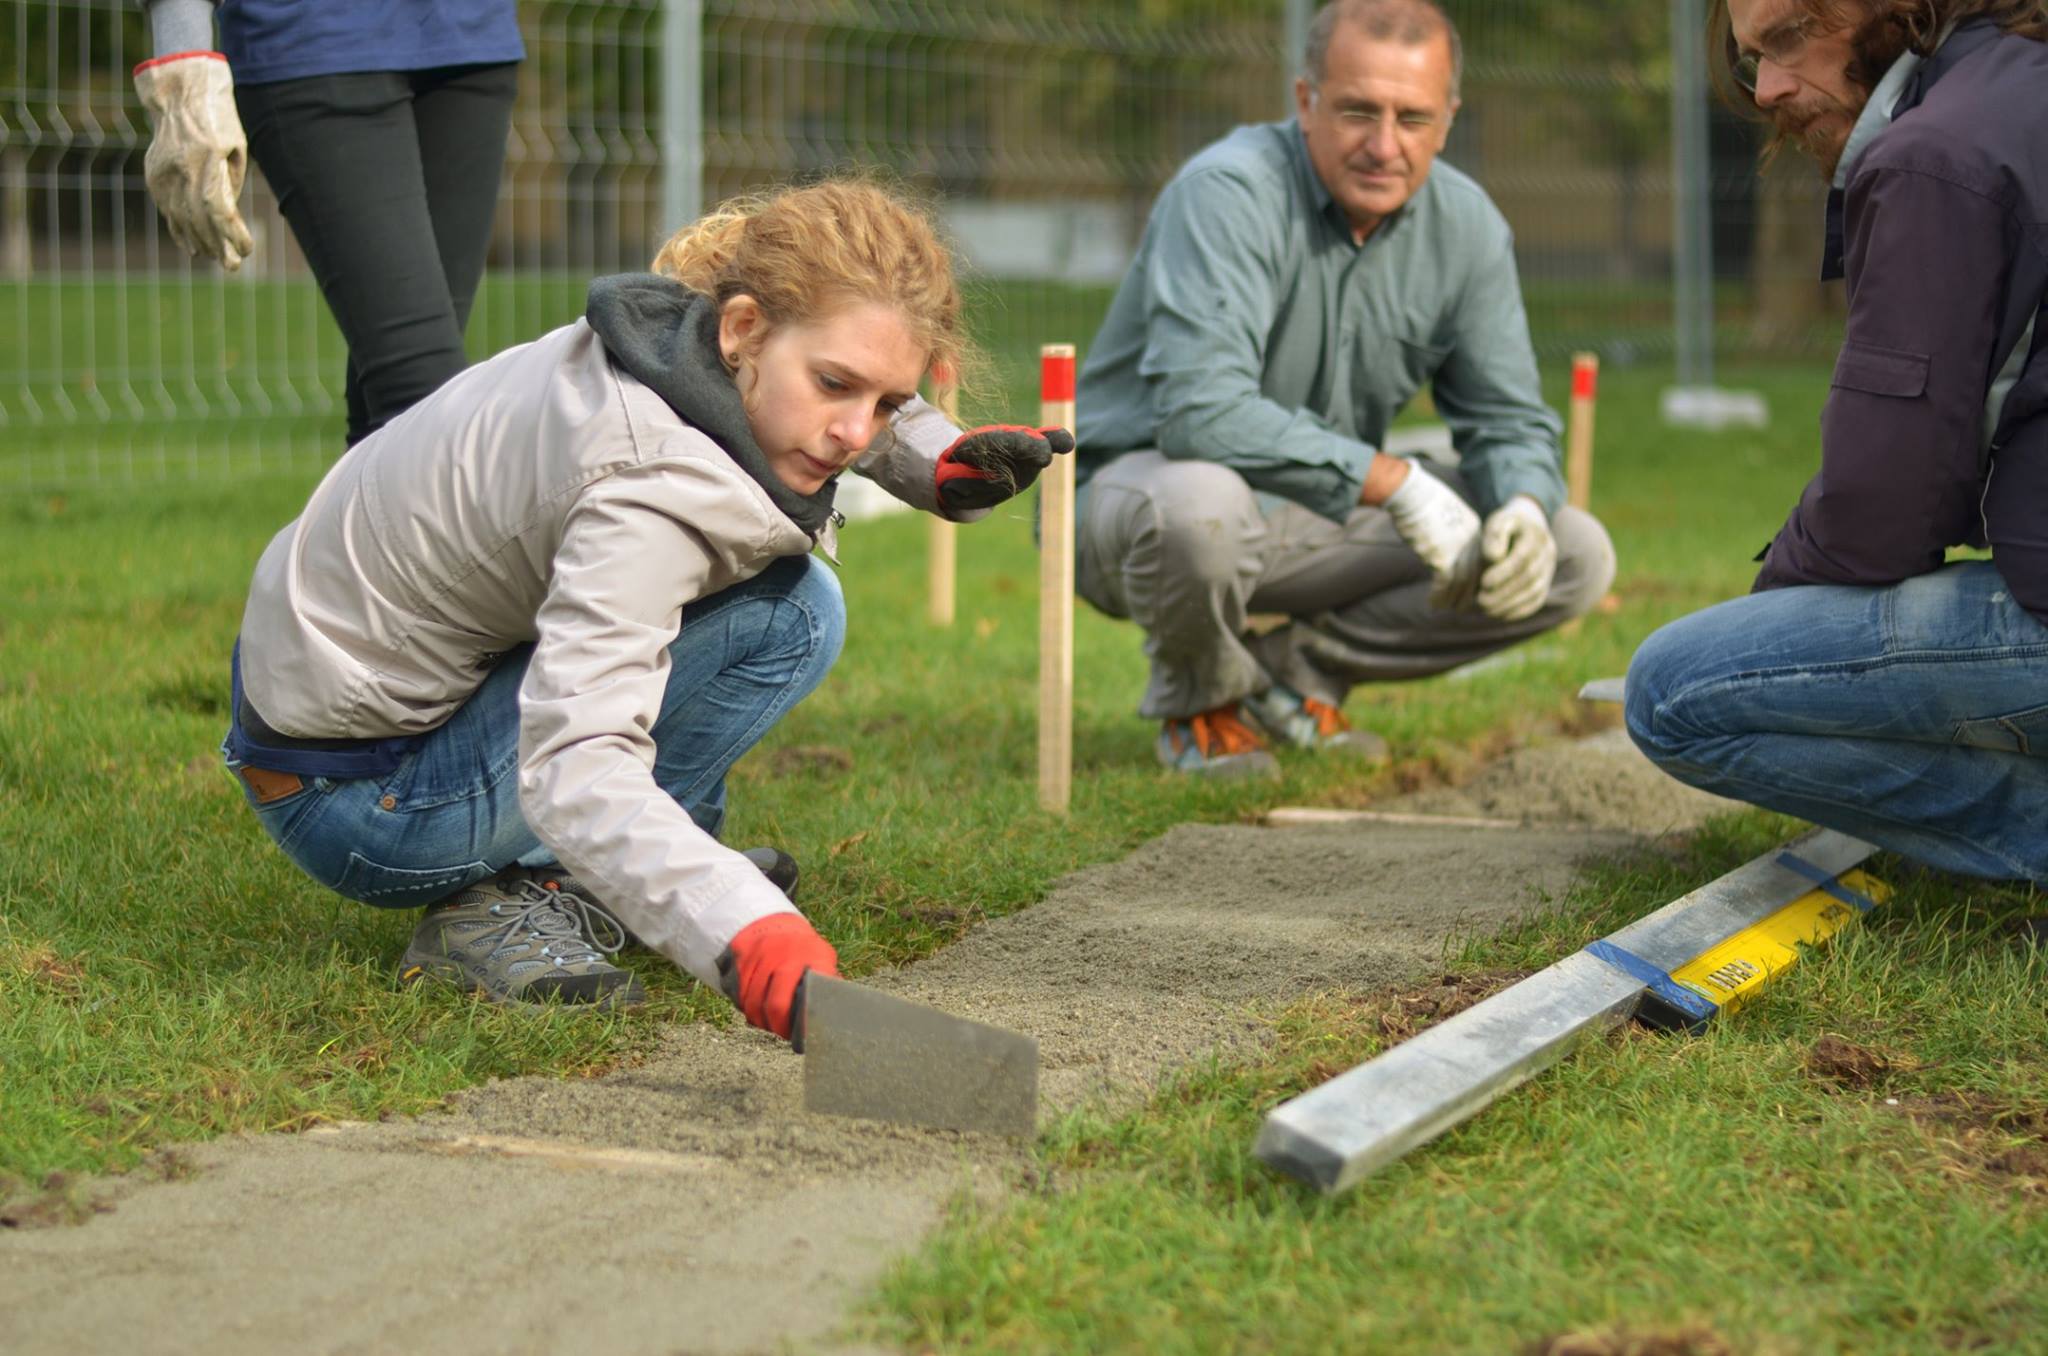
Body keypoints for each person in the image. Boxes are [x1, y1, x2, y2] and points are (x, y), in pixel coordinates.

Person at [218, 178, 1074, 1038]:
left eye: (884, 405)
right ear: (743, 329)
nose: (857, 432)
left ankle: (638, 864)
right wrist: (740, 927)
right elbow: (576, 765)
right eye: (835, 386)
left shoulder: (669, 341)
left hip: (332, 715)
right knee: (792, 615)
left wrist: (932, 457)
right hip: (366, 803)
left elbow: (844, 382)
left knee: (788, 597)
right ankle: (526, 897)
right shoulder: (645, 487)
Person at [1073, 0, 1616, 778]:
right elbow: (1201, 414)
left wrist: (1524, 504)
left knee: (1573, 552)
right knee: (1200, 507)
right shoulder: (1229, 193)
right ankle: (1202, 701)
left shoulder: (1468, 230)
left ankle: (1294, 677)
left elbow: (1509, 421)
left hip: (1311, 512)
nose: (1384, 145)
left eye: (1413, 118)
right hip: (1137, 510)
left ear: (1449, 120)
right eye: (1359, 111)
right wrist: (1398, 484)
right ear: (1306, 101)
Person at [1626, 0, 2048, 885]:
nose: (1767, 89)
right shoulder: (2021, 84)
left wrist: (1770, 601)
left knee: (1672, 690)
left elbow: (1882, 515)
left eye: (1790, 38)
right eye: (1752, 58)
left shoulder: (1932, 155)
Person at [131, 0, 522, 446]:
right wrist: (183, 57)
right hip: (310, 43)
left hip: (473, 45)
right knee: (426, 400)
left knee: (394, 410)